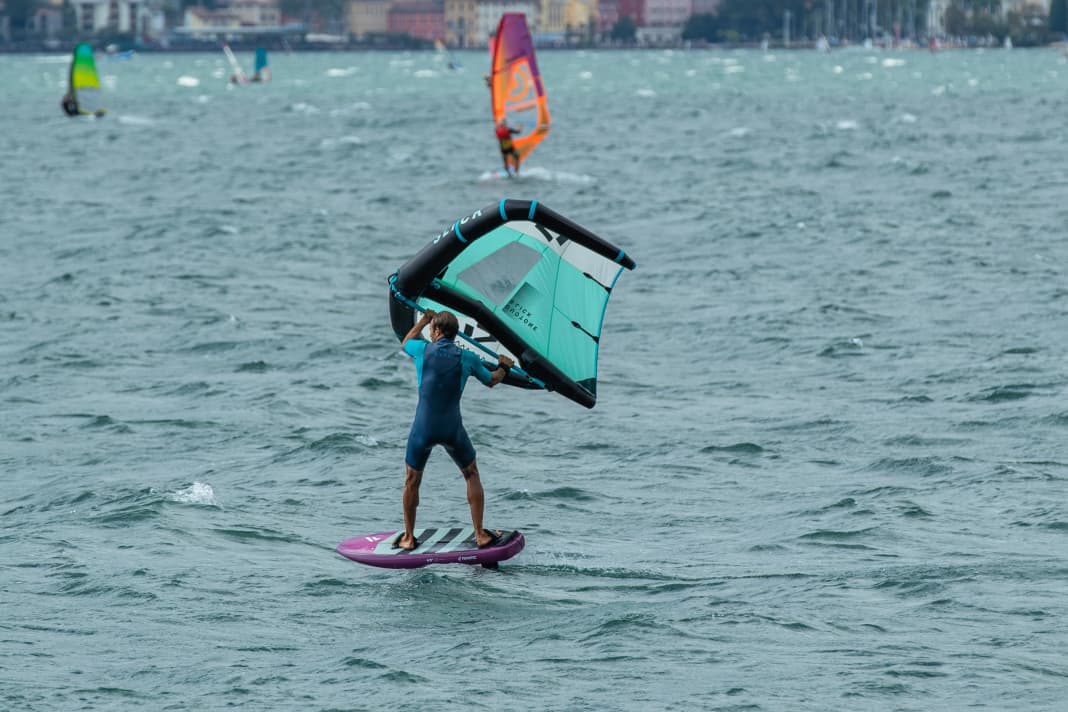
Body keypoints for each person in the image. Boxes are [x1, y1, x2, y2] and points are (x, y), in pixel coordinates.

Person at [396, 309, 514, 551]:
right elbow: (492, 380)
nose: (430, 332)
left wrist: (423, 320)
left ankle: (408, 538)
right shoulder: (467, 357)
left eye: (432, 329)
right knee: (471, 473)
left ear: (437, 331)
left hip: (423, 428)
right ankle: (480, 534)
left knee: (412, 480)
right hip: (452, 427)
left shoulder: (423, 350)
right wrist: (504, 367)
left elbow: (406, 341)